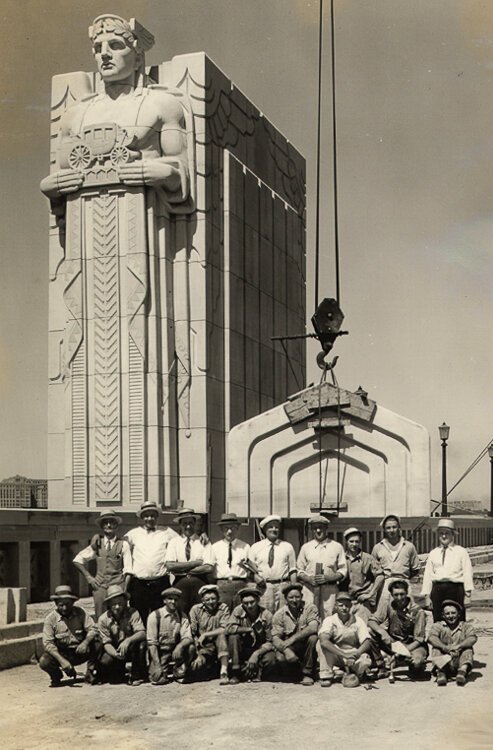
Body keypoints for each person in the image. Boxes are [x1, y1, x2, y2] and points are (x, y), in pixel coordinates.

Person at [40, 14, 193, 504]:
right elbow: (55, 179)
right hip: (87, 242)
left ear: (136, 51)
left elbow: (179, 176)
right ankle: (99, 496)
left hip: (141, 233)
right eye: (97, 47)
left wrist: (146, 170)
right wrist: (58, 185)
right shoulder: (76, 115)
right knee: (86, 342)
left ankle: (140, 493)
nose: (104, 55)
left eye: (114, 45)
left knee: (138, 334)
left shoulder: (163, 103)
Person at [124, 501, 178, 625]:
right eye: (146, 516)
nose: (150, 518)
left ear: (157, 516)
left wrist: (201, 535)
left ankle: (158, 642)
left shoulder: (167, 531)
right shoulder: (133, 534)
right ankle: (141, 642)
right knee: (139, 617)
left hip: (160, 582)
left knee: (160, 616)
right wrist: (97, 536)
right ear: (142, 517)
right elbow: (116, 544)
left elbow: (183, 541)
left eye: (153, 515)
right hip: (138, 584)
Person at [73, 510, 132, 618]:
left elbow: (128, 570)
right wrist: (89, 577)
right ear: (102, 526)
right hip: (100, 586)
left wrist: (124, 590)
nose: (109, 525)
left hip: (117, 585)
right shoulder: (97, 543)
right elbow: (77, 560)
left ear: (116, 525)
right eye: (105, 522)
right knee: (100, 616)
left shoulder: (123, 544)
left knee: (119, 615)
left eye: (112, 522)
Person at [39, 585, 99, 687]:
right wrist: (62, 661)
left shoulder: (81, 613)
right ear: (56, 604)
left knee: (98, 643)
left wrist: (85, 642)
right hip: (62, 653)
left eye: (67, 604)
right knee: (44, 661)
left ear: (73, 602)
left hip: (80, 650)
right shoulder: (50, 619)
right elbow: (48, 643)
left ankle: (90, 672)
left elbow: (93, 629)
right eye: (61, 605)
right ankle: (56, 676)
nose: (65, 608)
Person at [368, 579, 427, 680]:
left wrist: (402, 652)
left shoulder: (418, 611)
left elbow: (419, 640)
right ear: (391, 595)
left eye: (402, 594)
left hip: (412, 645)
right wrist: (382, 632)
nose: (399, 598)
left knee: (417, 664)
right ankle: (381, 667)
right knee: (371, 632)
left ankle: (412, 666)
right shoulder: (388, 605)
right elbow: (371, 621)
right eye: (396, 595)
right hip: (393, 643)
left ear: (407, 593)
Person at [421, 518, 473, 621]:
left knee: (457, 619)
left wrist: (468, 595)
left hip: (456, 589)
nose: (444, 536)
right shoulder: (433, 553)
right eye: (441, 533)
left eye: (447, 533)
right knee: (439, 620)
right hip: (438, 590)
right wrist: (427, 596)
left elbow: (467, 573)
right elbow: (428, 575)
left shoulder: (461, 552)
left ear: (453, 535)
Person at [316, 592, 372, 688]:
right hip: (337, 654)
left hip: (353, 654)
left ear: (351, 606)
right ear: (336, 606)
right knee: (320, 644)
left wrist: (355, 655)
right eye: (341, 605)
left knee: (366, 661)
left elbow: (367, 642)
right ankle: (326, 674)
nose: (344, 608)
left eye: (347, 605)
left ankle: (353, 673)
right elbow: (324, 641)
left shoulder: (358, 620)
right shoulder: (330, 620)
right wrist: (344, 654)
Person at [165, 508, 215, 613]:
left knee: (201, 613)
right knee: (180, 613)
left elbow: (208, 567)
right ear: (180, 525)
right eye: (184, 523)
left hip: (199, 583)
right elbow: (170, 566)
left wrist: (181, 568)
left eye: (191, 523)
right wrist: (195, 563)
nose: (188, 526)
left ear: (195, 523)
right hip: (180, 583)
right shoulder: (174, 542)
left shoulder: (204, 542)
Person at [296, 515, 347, 619]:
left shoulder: (336, 546)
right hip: (309, 589)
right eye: (315, 528)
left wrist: (329, 578)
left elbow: (343, 570)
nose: (318, 530)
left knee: (329, 617)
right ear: (311, 530)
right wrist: (308, 578)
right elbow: (299, 570)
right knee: (310, 616)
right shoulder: (306, 547)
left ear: (326, 528)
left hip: (329, 590)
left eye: (321, 527)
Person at [96, 584, 147, 685]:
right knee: (107, 664)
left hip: (131, 647)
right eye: (114, 604)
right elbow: (106, 643)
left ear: (125, 602)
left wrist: (128, 641)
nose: (117, 607)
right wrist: (115, 654)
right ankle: (118, 671)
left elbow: (142, 632)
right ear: (109, 605)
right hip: (115, 649)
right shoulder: (103, 619)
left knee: (141, 645)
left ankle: (137, 674)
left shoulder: (133, 612)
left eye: (120, 603)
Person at [226, 586, 276, 684]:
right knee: (233, 637)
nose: (249, 606)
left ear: (258, 600)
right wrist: (247, 629)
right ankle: (236, 672)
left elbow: (271, 641)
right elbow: (228, 629)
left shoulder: (266, 615)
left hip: (260, 649)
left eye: (252, 602)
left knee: (271, 660)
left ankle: (256, 673)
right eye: (245, 603)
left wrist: (256, 654)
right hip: (243, 648)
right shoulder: (238, 610)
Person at [272, 582, 319, 686]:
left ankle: (308, 673)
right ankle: (294, 673)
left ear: (302, 596)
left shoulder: (310, 608)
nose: (294, 600)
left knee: (313, 638)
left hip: (305, 646)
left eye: (297, 597)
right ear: (285, 598)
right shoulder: (279, 614)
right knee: (280, 658)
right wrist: (286, 650)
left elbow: (313, 627)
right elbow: (276, 638)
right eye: (291, 597)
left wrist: (291, 639)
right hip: (290, 648)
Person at [249, 515, 297, 614]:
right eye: (271, 527)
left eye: (276, 527)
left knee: (283, 615)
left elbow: (292, 570)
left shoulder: (287, 546)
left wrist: (294, 589)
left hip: (283, 586)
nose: (274, 529)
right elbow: (250, 569)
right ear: (265, 529)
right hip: (264, 588)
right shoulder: (255, 547)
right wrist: (255, 577)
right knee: (265, 615)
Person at [147, 587, 195, 685]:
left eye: (176, 599)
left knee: (191, 647)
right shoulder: (155, 616)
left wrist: (180, 646)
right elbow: (152, 643)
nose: (173, 602)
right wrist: (157, 665)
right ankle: (161, 670)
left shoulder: (182, 616)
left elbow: (188, 637)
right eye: (170, 599)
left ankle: (179, 671)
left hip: (175, 651)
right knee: (157, 679)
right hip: (160, 652)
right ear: (164, 600)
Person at [371, 514, 420, 602]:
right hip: (385, 586)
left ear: (399, 528)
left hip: (404, 584)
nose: (392, 530)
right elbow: (374, 570)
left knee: (407, 613)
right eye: (388, 528)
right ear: (384, 530)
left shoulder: (409, 546)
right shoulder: (377, 548)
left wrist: (404, 576)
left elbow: (415, 569)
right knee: (384, 612)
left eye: (394, 527)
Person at [427, 599, 477, 686]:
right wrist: (444, 647)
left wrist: (459, 646)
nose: (450, 616)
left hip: (460, 661)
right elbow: (431, 638)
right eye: (447, 613)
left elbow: (472, 638)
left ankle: (462, 673)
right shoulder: (438, 625)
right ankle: (441, 673)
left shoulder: (466, 626)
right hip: (444, 661)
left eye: (453, 613)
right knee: (436, 649)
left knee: (468, 649)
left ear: (459, 614)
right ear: (443, 615)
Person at [189, 584, 231, 684]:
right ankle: (211, 667)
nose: (211, 602)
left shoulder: (223, 607)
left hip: (220, 644)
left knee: (221, 636)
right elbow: (193, 633)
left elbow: (225, 628)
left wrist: (205, 635)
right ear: (202, 600)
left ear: (218, 598)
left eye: (213, 599)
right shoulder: (195, 610)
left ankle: (224, 672)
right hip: (203, 646)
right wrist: (197, 653)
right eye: (207, 600)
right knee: (197, 668)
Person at [341, 527, 384, 622]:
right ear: (346, 542)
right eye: (351, 541)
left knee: (363, 629)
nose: (354, 544)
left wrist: (370, 594)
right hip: (345, 602)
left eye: (357, 541)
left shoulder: (368, 558)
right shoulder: (341, 559)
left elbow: (380, 576)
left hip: (362, 603)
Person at [211, 513, 251, 610]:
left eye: (232, 528)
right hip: (222, 586)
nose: (229, 531)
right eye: (226, 528)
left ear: (237, 528)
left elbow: (251, 569)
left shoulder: (245, 546)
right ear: (221, 529)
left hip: (240, 585)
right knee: (223, 613)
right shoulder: (215, 547)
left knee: (241, 613)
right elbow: (210, 569)